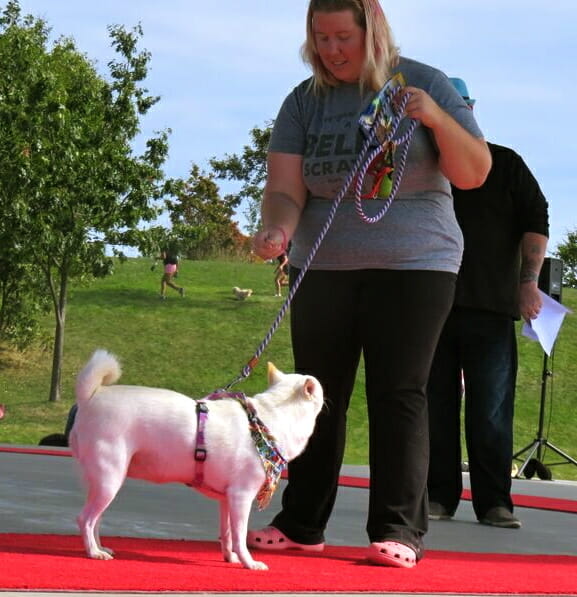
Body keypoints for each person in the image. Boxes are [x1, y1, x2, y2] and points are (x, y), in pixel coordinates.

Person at [249, 0, 491, 568]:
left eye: (343, 37)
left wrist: (434, 116)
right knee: (313, 394)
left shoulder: (423, 82)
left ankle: (398, 531)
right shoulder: (304, 102)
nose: (332, 50)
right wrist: (277, 230)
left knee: (400, 391)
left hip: (417, 264)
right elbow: (285, 188)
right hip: (323, 265)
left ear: (372, 29)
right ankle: (302, 523)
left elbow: (474, 171)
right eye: (321, 37)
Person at [426, 77, 549, 529]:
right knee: (434, 406)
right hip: (430, 306)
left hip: (492, 307)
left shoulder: (507, 164)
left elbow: (536, 221)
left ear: (471, 110)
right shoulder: (423, 167)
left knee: (491, 410)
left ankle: (495, 502)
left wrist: (528, 282)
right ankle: (438, 496)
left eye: (459, 107)